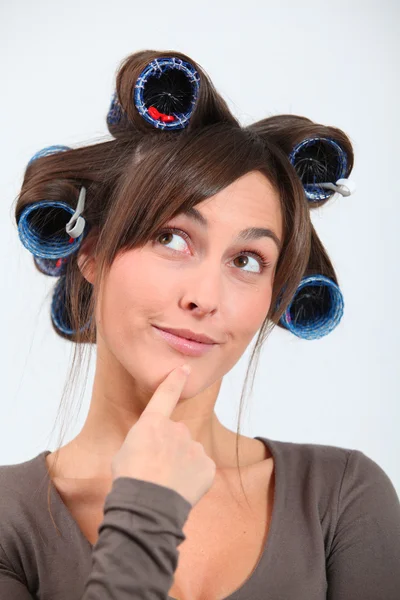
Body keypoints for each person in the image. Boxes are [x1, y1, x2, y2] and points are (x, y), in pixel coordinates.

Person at [1, 49, 399, 600]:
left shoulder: (339, 499)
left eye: (246, 261)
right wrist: (145, 516)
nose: (205, 298)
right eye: (172, 238)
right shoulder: (8, 524)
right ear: (90, 251)